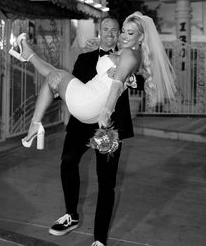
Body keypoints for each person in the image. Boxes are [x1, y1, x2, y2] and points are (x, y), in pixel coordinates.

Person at [9, 13, 176, 246]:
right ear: (100, 32)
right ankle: (71, 216)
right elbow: (75, 86)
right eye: (106, 29)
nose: (111, 34)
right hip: (81, 123)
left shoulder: (129, 56)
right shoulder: (85, 58)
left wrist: (129, 80)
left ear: (120, 33)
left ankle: (99, 239)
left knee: (106, 182)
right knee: (68, 162)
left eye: (116, 30)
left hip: (107, 128)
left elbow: (139, 75)